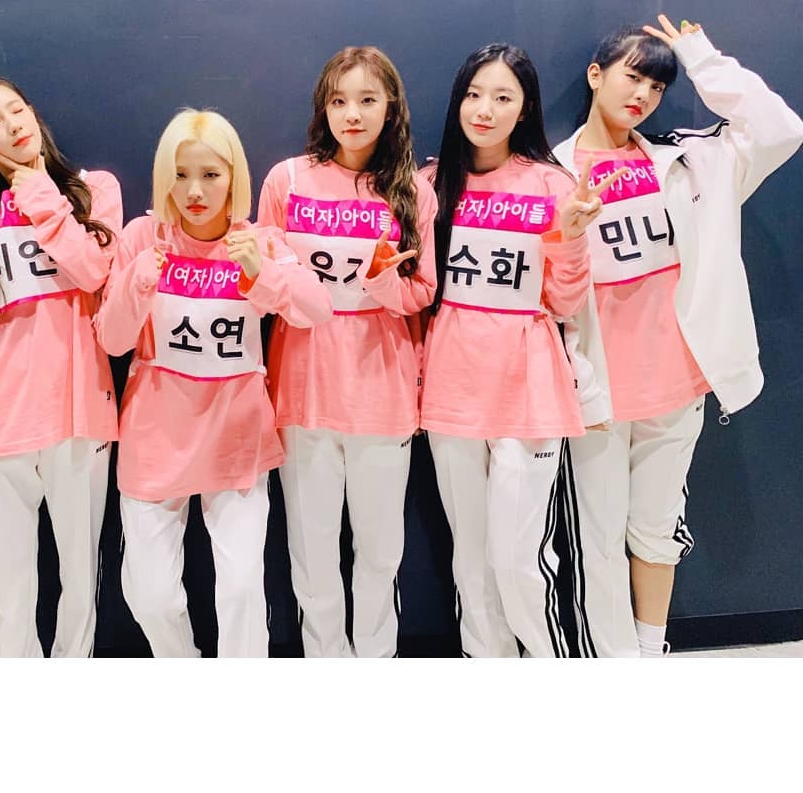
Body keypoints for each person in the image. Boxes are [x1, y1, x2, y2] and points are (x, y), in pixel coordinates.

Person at [554, 14, 803, 657]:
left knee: (656, 530)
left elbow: (781, 130)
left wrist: (701, 57)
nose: (642, 94)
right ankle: (614, 660)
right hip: (596, 393)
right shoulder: (551, 172)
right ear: (596, 75)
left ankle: (649, 653)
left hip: (676, 383)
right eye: (632, 77)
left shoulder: (691, 162)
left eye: (656, 86)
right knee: (598, 537)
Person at [94, 108, 329, 657]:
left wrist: (262, 274)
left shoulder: (260, 241)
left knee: (243, 589)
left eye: (210, 174)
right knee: (149, 595)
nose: (194, 191)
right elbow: (112, 339)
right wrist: (138, 283)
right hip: (156, 437)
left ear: (234, 177)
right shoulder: (142, 237)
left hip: (236, 436)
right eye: (180, 175)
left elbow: (317, 310)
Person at [421, 43, 617, 657]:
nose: (484, 109)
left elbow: (563, 301)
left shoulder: (553, 183)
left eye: (502, 97)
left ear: (525, 107)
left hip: (529, 387)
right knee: (471, 558)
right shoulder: (432, 184)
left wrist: (572, 237)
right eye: (474, 94)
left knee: (519, 559)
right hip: (451, 387)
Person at [257, 45, 437, 658]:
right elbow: (267, 288)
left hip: (382, 393)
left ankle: (375, 659)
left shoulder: (413, 190)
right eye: (339, 100)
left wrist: (384, 279)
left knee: (380, 551)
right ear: (323, 108)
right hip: (303, 392)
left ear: (391, 107)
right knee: (312, 552)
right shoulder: (286, 179)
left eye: (367, 99)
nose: (352, 114)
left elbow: (421, 293)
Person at [0, 73, 121, 657]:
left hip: (78, 412)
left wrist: (40, 193)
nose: (14, 125)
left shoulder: (94, 190)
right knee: (12, 584)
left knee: (80, 576)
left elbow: (93, 274)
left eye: (16, 109)